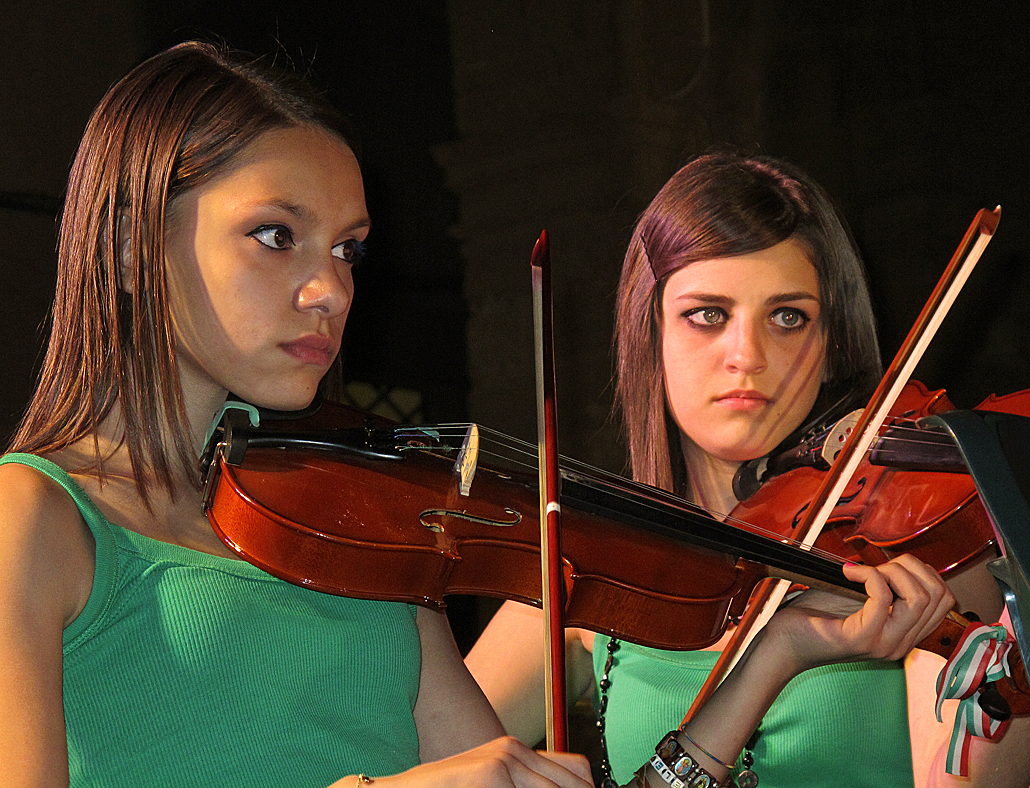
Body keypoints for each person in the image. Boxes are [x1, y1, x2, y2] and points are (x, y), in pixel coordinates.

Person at [0, 41, 600, 788]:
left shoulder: (356, 525)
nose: (333, 291)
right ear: (130, 247)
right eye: (277, 236)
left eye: (347, 250)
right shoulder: (34, 517)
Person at [467, 153, 1030, 787]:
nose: (747, 356)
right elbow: (424, 764)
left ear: (831, 348)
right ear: (650, 335)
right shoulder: (591, 566)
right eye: (708, 315)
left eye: (788, 317)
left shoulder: (907, 556)